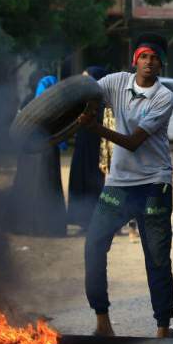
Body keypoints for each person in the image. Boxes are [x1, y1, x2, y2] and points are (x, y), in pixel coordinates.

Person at [75, 36, 173, 337]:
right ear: (135, 60)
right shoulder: (116, 81)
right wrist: (89, 109)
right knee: (93, 246)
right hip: (118, 184)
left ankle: (162, 327)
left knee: (156, 256)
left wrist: (96, 128)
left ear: (161, 64)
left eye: (155, 58)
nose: (149, 62)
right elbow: (90, 92)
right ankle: (102, 321)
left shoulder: (164, 97)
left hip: (154, 184)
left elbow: (133, 142)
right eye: (144, 56)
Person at [7, 74, 67, 237]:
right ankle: (48, 226)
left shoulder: (28, 100)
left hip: (28, 151)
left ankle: (25, 224)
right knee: (45, 186)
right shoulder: (57, 103)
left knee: (29, 185)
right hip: (46, 150)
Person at [67, 66, 110, 230]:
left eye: (87, 78)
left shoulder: (104, 100)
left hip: (96, 148)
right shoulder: (83, 99)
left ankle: (95, 221)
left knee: (94, 183)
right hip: (82, 147)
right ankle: (83, 221)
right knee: (80, 180)